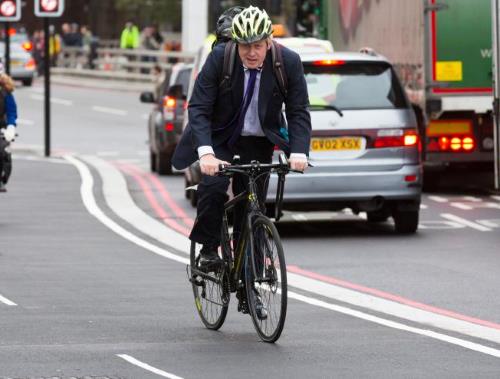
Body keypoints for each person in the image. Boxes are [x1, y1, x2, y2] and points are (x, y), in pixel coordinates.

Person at [172, 6, 311, 313]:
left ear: (269, 42)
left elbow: (298, 110)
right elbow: (198, 108)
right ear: (235, 42)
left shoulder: (287, 62)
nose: (251, 53)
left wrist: (299, 151)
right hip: (220, 136)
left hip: (259, 140)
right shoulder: (220, 59)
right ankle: (209, 249)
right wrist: (205, 153)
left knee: (254, 207)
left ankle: (251, 286)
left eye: (257, 45)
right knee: (212, 188)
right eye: (244, 45)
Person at [0, 63, 18, 193]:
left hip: (1, 128)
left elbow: (12, 112)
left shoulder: (5, 92)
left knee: (3, 152)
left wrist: (11, 127)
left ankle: (2, 179)